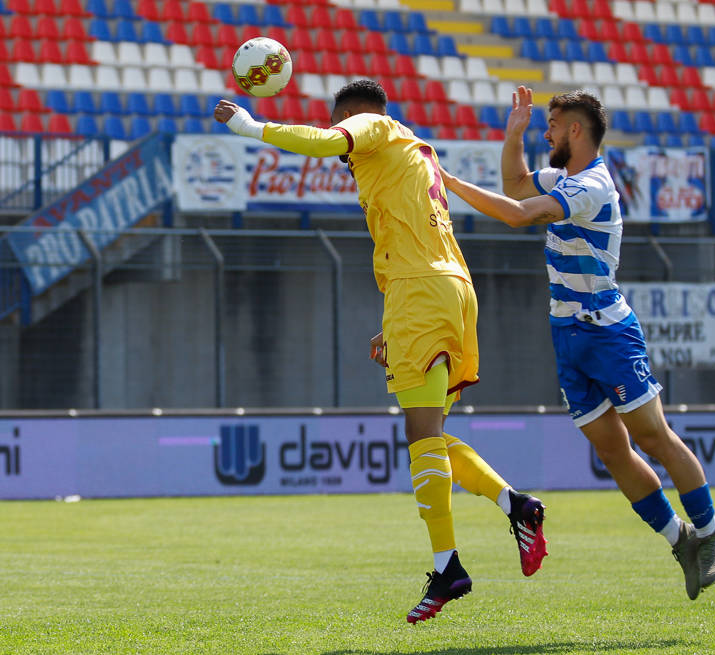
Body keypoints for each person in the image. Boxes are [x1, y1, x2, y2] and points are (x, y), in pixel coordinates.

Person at [214, 80, 547, 623]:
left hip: (421, 294)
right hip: (451, 289)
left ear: (349, 114)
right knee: (431, 434)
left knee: (420, 438)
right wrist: (392, 317)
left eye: (338, 123)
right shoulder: (418, 152)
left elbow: (327, 143)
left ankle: (448, 567)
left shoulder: (374, 127)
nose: (343, 152)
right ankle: (517, 506)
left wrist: (252, 127)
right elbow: (413, 237)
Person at [440, 86, 715, 600]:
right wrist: (514, 135)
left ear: (575, 130)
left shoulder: (591, 186)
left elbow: (516, 213)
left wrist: (447, 180)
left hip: (606, 332)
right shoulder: (564, 179)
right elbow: (514, 185)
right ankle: (679, 540)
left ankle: (711, 535)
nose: (547, 133)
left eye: (552, 125)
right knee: (612, 450)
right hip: (569, 334)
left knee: (653, 438)